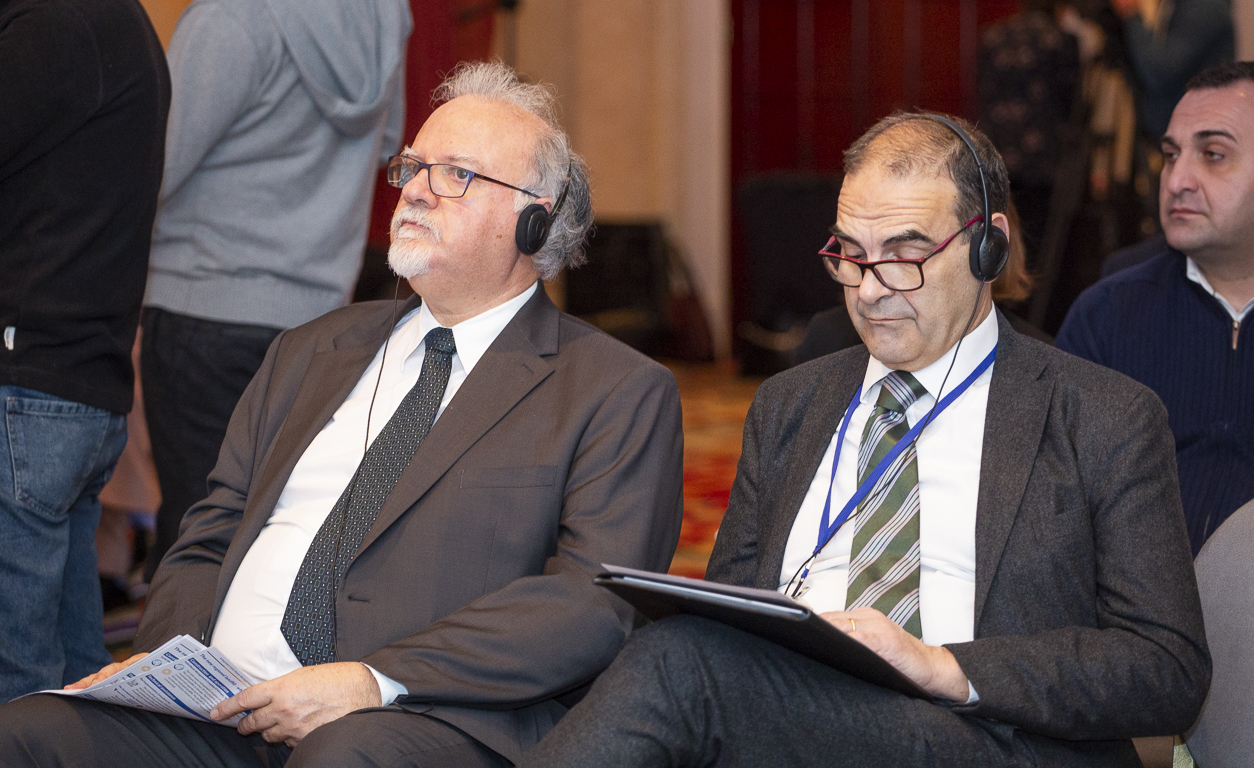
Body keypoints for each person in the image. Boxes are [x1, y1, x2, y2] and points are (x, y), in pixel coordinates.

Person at [0, 61, 685, 767]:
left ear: (534, 219)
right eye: (412, 166)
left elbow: (592, 603)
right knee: (26, 731)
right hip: (222, 706)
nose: (415, 188)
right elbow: (210, 535)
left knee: (340, 757)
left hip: (422, 716)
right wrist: (167, 665)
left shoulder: (614, 390)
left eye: (456, 174)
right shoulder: (310, 349)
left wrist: (373, 681)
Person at [520, 112, 1209, 768]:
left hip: (990, 741)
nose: (870, 291)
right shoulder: (790, 405)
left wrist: (945, 666)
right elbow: (729, 620)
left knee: (676, 663)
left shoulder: (1102, 415)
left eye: (904, 256)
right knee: (679, 648)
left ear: (988, 246)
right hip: (794, 721)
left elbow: (1167, 667)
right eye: (851, 256)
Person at [140, 0, 412, 581]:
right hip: (320, 325)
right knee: (275, 548)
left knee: (196, 548)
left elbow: (148, 169)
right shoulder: (384, 11)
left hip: (203, 306)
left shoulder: (229, 17)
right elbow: (388, 140)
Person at [0, 0, 169, 701]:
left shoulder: (53, 25)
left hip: (29, 383)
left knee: (21, 679)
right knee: (73, 670)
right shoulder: (116, 22)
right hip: (77, 381)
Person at [1057, 61, 1254, 555]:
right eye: (1170, 155)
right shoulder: (1107, 314)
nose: (1176, 179)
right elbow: (1054, 506)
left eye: (1213, 155)